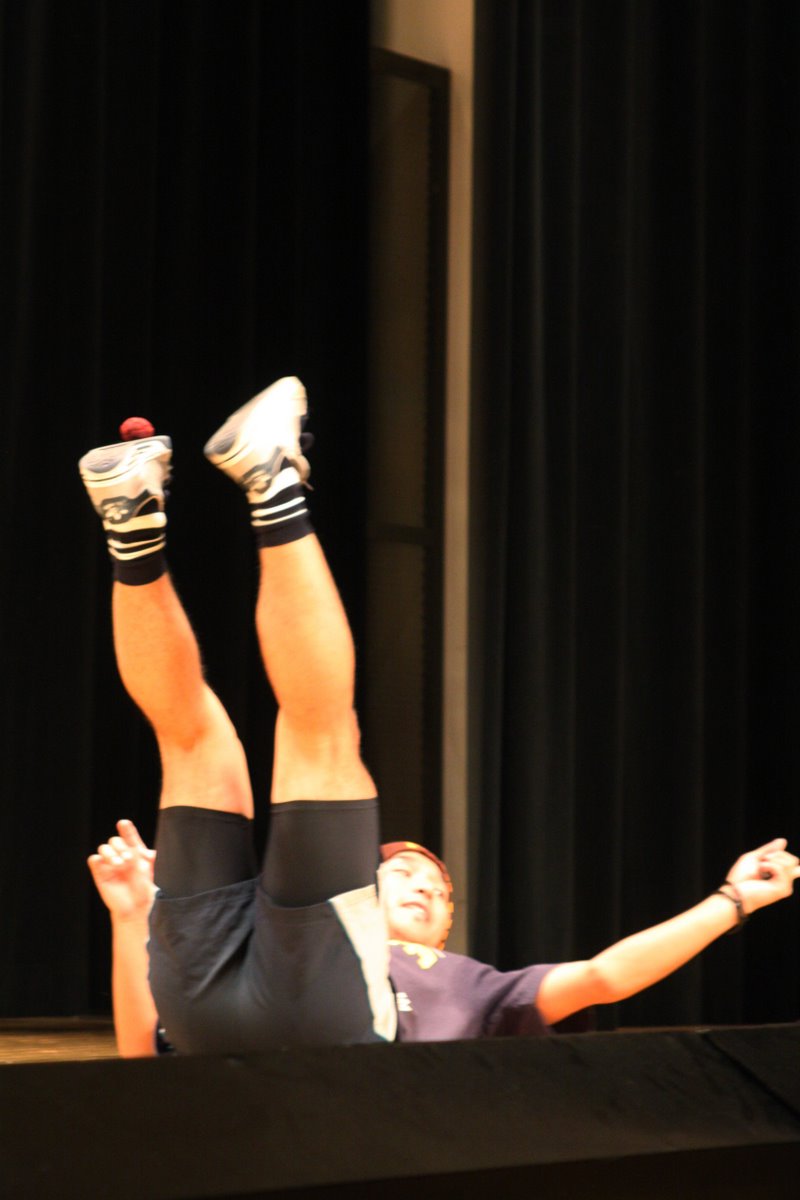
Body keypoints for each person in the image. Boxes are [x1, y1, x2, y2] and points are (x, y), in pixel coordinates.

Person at [81, 377, 800, 1057]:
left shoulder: (477, 989)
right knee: (199, 743)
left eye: (431, 885)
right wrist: (732, 900)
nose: (428, 886)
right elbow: (152, 1056)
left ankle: (271, 481)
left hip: (281, 1012)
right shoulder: (451, 971)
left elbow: (141, 1057)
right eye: (418, 877)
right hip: (248, 1019)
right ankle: (130, 522)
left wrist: (732, 901)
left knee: (294, 738)